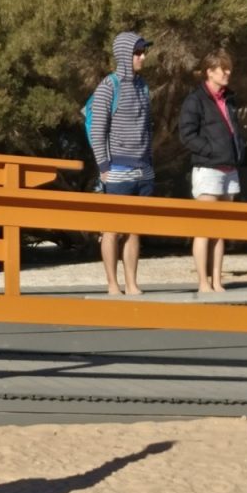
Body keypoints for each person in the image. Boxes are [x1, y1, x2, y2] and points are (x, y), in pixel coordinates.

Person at [88, 32, 154, 296]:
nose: (142, 57)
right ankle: (113, 284)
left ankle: (132, 283)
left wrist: (150, 164)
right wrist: (104, 167)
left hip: (143, 169)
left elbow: (147, 128)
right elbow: (97, 130)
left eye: (143, 52)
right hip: (117, 171)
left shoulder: (143, 86)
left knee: (135, 230)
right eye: (138, 52)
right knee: (111, 230)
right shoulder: (108, 86)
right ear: (126, 54)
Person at [178, 48, 245, 293]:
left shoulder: (230, 98)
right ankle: (203, 282)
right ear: (210, 72)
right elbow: (187, 135)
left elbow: (233, 130)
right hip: (207, 169)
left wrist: (238, 151)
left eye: (229, 68)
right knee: (204, 229)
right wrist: (211, 150)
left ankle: (217, 280)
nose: (228, 73)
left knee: (220, 230)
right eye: (223, 69)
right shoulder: (195, 100)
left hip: (230, 170)